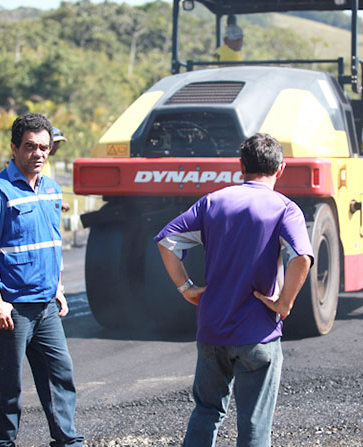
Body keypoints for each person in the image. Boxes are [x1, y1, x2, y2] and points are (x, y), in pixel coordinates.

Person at [155, 133, 314, 446]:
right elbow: (302, 258)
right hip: (259, 333)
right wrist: (284, 304)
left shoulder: (213, 202)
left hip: (213, 330)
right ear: (280, 169)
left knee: (206, 412)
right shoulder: (284, 208)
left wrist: (186, 288)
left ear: (241, 166)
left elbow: (166, 241)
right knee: (254, 425)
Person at [0, 113, 84, 447]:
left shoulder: (51, 190)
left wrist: (58, 287)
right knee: (8, 384)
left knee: (60, 376)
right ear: (14, 148)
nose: (38, 154)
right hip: (13, 308)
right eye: (30, 146)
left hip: (46, 306)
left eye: (44, 148)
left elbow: (52, 244)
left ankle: (68, 441)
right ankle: (1, 443)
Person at [42, 126, 71, 212]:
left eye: (58, 143)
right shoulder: (37, 165)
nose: (57, 147)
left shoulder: (46, 163)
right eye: (55, 143)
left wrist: (58, 204)